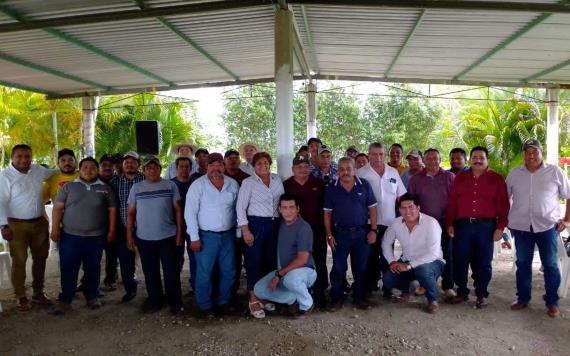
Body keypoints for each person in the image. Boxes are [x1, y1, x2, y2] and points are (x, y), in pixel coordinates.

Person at [507, 139, 570, 317]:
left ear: (541, 153)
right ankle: (523, 299)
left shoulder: (555, 171)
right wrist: (510, 219)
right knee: (523, 264)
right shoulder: (514, 174)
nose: (531, 155)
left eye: (535, 151)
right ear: (523, 154)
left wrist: (566, 220)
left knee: (550, 265)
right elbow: (505, 198)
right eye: (528, 152)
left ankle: (552, 302)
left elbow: (568, 195)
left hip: (547, 227)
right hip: (521, 228)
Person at [50, 157, 117, 315]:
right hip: (70, 236)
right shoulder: (69, 187)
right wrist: (54, 229)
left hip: (95, 237)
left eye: (92, 167)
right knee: (68, 268)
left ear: (97, 169)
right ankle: (66, 299)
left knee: (93, 267)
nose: (89, 170)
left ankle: (92, 296)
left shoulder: (105, 189)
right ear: (80, 170)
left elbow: (112, 211)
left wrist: (112, 230)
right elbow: (58, 208)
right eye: (85, 167)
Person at [447, 146, 509, 308]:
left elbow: (503, 206)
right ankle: (462, 291)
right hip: (463, 226)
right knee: (459, 260)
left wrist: (500, 228)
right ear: (469, 159)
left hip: (486, 227)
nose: (478, 160)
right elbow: (453, 203)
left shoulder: (497, 179)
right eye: (474, 157)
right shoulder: (460, 178)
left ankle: (481, 294)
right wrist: (450, 224)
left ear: (487, 160)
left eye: (481, 157)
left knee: (483, 263)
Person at [0, 144, 55, 311]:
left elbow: (57, 172)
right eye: (19, 156)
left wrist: (72, 169)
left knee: (41, 258)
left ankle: (38, 292)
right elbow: (0, 202)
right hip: (16, 225)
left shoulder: (38, 170)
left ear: (32, 157)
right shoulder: (5, 176)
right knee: (19, 261)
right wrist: (3, 225)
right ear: (12, 158)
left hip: (39, 223)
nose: (24, 159)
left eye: (27, 156)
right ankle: (20, 295)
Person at [126, 156, 183, 314]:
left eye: (155, 167)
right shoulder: (136, 188)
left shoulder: (170, 185)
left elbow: (178, 210)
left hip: (168, 237)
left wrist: (179, 234)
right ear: (143, 171)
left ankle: (175, 302)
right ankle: (155, 301)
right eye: (148, 167)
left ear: (160, 168)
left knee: (171, 271)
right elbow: (130, 214)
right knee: (150, 272)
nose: (152, 170)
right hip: (144, 238)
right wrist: (129, 236)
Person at [186, 153, 239, 319]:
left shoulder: (232, 184)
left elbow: (238, 209)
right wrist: (194, 237)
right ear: (206, 168)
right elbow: (190, 213)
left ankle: (223, 302)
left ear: (224, 166)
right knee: (204, 272)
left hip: (229, 235)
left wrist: (238, 233)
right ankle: (204, 305)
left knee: (229, 271)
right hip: (205, 236)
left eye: (219, 165)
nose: (216, 169)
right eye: (212, 165)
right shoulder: (197, 185)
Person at [325, 157, 378, 311]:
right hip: (340, 234)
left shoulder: (364, 185)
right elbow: (327, 214)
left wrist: (373, 230)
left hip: (361, 233)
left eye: (348, 168)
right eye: (341, 169)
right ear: (338, 171)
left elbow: (373, 209)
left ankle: (359, 297)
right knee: (338, 268)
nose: (345, 172)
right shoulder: (332, 188)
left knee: (360, 268)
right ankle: (336, 298)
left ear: (354, 169)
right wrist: (329, 235)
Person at [236, 151, 284, 317]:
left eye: (265, 163)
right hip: (256, 225)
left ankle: (264, 296)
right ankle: (253, 297)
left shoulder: (277, 179)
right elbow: (240, 208)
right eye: (259, 164)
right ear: (254, 166)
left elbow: (281, 202)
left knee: (269, 262)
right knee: (253, 261)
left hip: (274, 225)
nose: (263, 166)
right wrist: (246, 231)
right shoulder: (248, 182)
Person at [253, 194, 317, 318]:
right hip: (284, 271)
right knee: (259, 289)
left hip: (305, 271)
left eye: (291, 207)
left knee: (291, 280)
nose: (288, 211)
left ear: (298, 209)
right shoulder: (281, 223)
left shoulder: (304, 228)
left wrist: (279, 274)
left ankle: (306, 304)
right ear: (280, 210)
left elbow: (303, 259)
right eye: (284, 208)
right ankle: (293, 299)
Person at [382, 193, 445, 313]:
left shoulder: (431, 223)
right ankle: (408, 289)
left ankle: (432, 299)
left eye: (411, 207)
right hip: (407, 260)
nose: (407, 211)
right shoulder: (396, 223)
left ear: (418, 207)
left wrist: (409, 265)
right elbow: (385, 243)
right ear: (399, 210)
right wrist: (392, 261)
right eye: (403, 208)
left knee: (423, 271)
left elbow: (433, 253)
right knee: (388, 278)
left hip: (432, 262)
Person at [357, 142, 406, 294]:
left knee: (387, 256)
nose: (378, 157)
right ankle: (370, 286)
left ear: (384, 155)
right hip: (368, 223)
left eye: (380, 154)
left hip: (389, 222)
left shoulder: (393, 172)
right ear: (368, 154)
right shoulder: (360, 173)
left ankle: (388, 288)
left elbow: (401, 196)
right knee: (369, 256)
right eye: (374, 154)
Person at [407, 149, 456, 299]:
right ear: (424, 160)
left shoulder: (450, 177)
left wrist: (451, 223)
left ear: (440, 160)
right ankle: (424, 284)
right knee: (425, 254)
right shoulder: (415, 179)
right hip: (423, 226)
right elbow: (411, 202)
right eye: (428, 158)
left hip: (444, 223)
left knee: (447, 254)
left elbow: (455, 203)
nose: (432, 161)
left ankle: (448, 286)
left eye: (435, 158)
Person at [283, 154, 327, 308]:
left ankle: (320, 293)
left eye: (306, 167)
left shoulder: (319, 183)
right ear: (293, 169)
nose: (303, 169)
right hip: (295, 232)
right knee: (298, 262)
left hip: (317, 230)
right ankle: (298, 296)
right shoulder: (286, 185)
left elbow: (326, 208)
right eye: (299, 167)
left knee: (320, 261)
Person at [110, 151, 144, 303]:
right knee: (125, 262)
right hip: (123, 228)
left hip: (145, 228)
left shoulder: (146, 178)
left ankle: (155, 291)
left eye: (133, 162)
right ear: (122, 165)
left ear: (139, 164)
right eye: (126, 162)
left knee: (150, 261)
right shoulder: (114, 182)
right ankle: (130, 289)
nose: (129, 164)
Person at [223, 149, 251, 299]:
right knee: (230, 262)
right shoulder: (220, 177)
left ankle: (252, 293)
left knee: (249, 259)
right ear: (225, 161)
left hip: (245, 225)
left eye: (236, 158)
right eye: (230, 158)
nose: (233, 161)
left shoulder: (247, 178)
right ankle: (230, 293)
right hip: (226, 226)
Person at [171, 157, 196, 288]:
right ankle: (175, 288)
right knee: (175, 258)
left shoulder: (196, 182)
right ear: (176, 168)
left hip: (193, 227)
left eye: (187, 166)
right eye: (181, 166)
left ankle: (195, 285)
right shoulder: (170, 184)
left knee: (195, 257)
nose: (184, 169)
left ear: (191, 168)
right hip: (175, 227)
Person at [98, 153, 118, 291]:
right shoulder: (92, 181)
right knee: (92, 256)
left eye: (110, 165)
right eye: (104, 165)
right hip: (95, 225)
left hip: (114, 225)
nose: (107, 168)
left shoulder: (118, 181)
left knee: (112, 254)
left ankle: (110, 279)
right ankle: (87, 280)